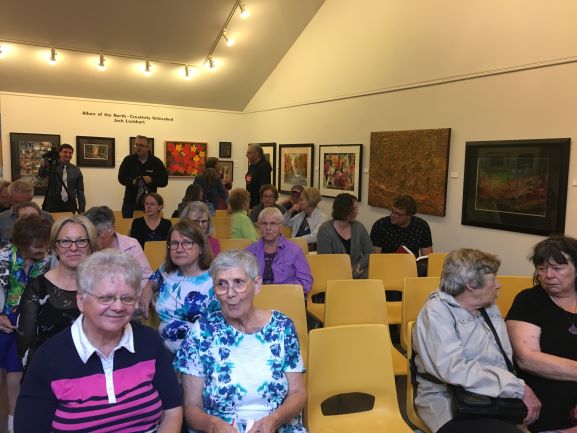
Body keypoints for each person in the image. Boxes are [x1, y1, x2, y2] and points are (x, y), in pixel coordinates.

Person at [14, 250, 183, 432]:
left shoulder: (149, 342)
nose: (118, 307)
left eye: (127, 298)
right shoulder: (48, 358)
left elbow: (172, 411)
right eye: (106, 298)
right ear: (81, 300)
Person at [174, 249, 307, 433]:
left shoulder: (282, 327)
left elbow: (298, 393)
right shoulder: (201, 332)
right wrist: (214, 426)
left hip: (278, 426)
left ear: (257, 285)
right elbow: (191, 407)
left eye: (238, 283)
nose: (230, 293)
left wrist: (274, 420)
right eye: (221, 284)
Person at [412, 248, 541, 433]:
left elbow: (501, 358)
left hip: (489, 397)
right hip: (450, 404)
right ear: (471, 285)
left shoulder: (488, 307)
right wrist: (518, 389)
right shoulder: (436, 312)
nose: (498, 285)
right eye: (493, 279)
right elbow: (454, 370)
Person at [507, 235, 577, 433]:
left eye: (557, 268)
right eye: (542, 268)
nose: (548, 275)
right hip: (544, 398)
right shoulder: (529, 301)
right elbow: (527, 359)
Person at [17, 215, 98, 367]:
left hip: (96, 372)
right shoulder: (37, 288)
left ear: (91, 246)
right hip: (48, 373)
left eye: (81, 241)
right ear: (55, 247)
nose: (73, 248)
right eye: (65, 241)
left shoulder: (104, 286)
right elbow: (25, 349)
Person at [0, 215, 51, 433]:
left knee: (15, 379)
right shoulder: (3, 256)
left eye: (45, 244)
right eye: (38, 245)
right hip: (2, 320)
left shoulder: (47, 260)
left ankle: (13, 426)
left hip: (25, 325)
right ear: (22, 242)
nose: (43, 249)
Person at [140, 220, 220, 353]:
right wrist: (147, 289)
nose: (179, 249)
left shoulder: (216, 278)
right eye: (174, 243)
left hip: (202, 352)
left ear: (200, 248)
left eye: (187, 243)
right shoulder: (165, 270)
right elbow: (153, 280)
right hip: (164, 351)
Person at [246, 207, 312, 297]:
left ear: (280, 227)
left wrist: (279, 292)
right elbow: (241, 280)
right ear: (259, 227)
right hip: (257, 299)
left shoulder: (295, 251)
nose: (268, 228)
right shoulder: (249, 251)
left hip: (286, 298)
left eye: (273, 223)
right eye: (264, 223)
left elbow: (306, 282)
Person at [85, 206, 152, 287]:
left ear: (112, 229)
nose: (93, 238)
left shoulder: (131, 245)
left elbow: (147, 277)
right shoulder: (84, 246)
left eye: (98, 234)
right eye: (89, 234)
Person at [317, 193, 372, 278]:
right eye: (355, 209)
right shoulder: (325, 230)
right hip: (334, 276)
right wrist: (348, 273)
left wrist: (356, 267)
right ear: (345, 210)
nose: (357, 212)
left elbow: (369, 252)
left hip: (357, 273)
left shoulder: (359, 227)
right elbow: (326, 261)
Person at [118, 134, 168, 218]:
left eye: (141, 145)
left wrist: (152, 180)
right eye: (136, 145)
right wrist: (133, 181)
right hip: (130, 203)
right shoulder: (128, 160)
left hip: (150, 204)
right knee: (128, 227)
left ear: (148, 147)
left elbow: (164, 181)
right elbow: (121, 177)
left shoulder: (156, 162)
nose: (138, 148)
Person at [0, 179, 54, 244]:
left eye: (25, 202)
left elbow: (53, 243)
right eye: (17, 202)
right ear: (10, 198)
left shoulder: (46, 217)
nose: (21, 206)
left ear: (31, 198)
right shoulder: (2, 219)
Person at [37, 143, 86, 213]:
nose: (68, 155)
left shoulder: (76, 170)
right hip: (52, 204)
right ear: (59, 153)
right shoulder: (52, 167)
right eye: (65, 152)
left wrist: (82, 210)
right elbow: (41, 175)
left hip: (70, 204)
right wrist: (44, 164)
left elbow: (80, 191)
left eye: (70, 153)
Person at [283, 186, 329, 252]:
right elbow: (284, 223)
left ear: (310, 201)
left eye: (301, 199)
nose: (299, 202)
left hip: (311, 254)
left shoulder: (322, 218)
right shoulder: (301, 215)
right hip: (295, 250)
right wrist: (290, 211)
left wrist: (293, 240)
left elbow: (315, 236)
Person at [245, 144, 272, 208]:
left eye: (249, 153)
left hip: (258, 203)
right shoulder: (252, 165)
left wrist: (260, 207)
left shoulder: (263, 166)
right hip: (251, 201)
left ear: (257, 154)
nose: (246, 155)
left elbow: (264, 188)